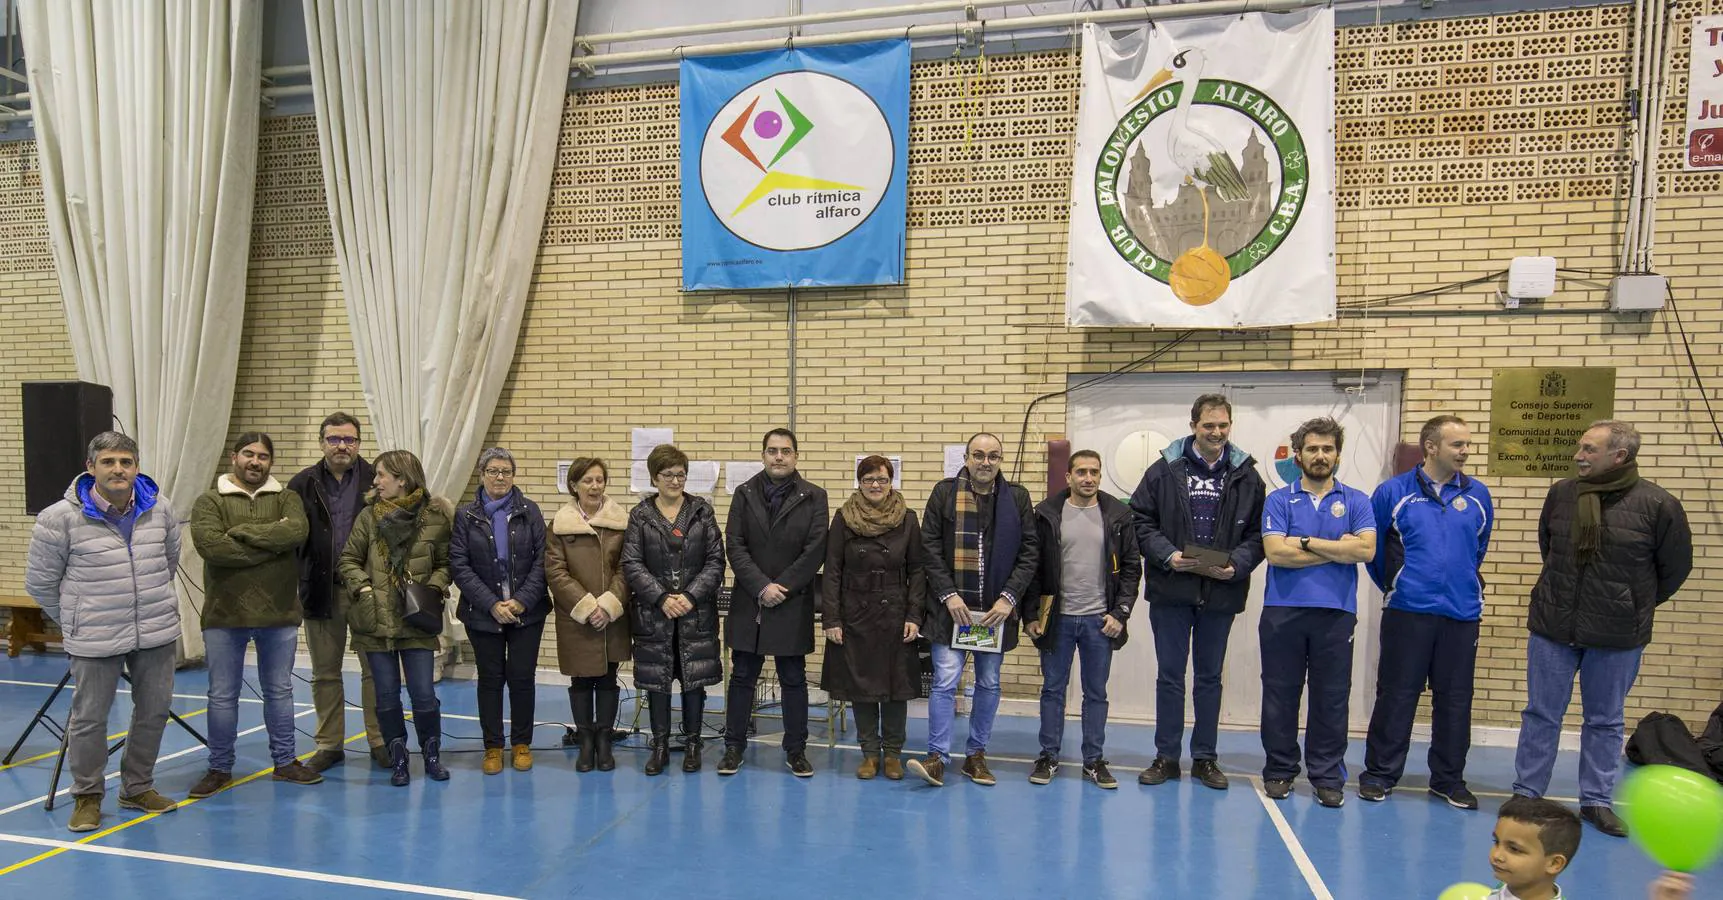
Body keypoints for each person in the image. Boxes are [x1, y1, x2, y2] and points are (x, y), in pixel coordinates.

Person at [1512, 420, 1691, 837]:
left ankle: (1596, 801)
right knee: (1541, 713)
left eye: (1590, 449)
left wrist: (1628, 604)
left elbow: (1674, 569)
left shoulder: (1658, 505)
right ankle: (1527, 793)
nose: (1579, 456)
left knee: (1605, 721)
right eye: (1580, 448)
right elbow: (1548, 547)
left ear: (1619, 456)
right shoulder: (1561, 494)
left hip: (1617, 636)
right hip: (1553, 627)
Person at [26, 432, 183, 832]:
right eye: (109, 462)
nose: (118, 469)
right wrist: (77, 618)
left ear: (136, 467)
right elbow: (41, 584)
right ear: (90, 466)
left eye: (126, 462)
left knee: (153, 712)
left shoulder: (160, 508)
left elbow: (168, 561)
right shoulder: (58, 518)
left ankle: (137, 787)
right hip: (94, 635)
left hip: (154, 630)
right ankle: (87, 796)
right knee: (90, 719)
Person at [1128, 393, 1265, 791]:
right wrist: (1166, 555)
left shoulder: (1247, 475)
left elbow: (1259, 533)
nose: (1216, 433)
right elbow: (1140, 520)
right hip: (1172, 589)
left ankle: (1205, 758)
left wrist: (1237, 563)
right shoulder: (1162, 471)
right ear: (1193, 426)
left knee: (1209, 679)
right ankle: (1166, 757)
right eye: (1209, 425)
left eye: (1223, 426)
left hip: (1221, 593)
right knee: (1170, 678)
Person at [1361, 414, 1493, 809]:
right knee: (1397, 695)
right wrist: (1399, 582)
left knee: (1455, 699)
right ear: (1430, 447)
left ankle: (1448, 780)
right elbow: (1375, 553)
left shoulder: (1478, 495)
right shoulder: (1392, 493)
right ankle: (1380, 774)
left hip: (1461, 614)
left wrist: (1460, 582)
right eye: (1458, 445)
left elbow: (1478, 548)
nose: (1465, 452)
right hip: (1407, 610)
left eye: (1467, 444)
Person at [187, 433, 318, 799]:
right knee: (222, 696)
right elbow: (212, 547)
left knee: (280, 691)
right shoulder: (209, 501)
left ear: (270, 462)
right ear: (234, 457)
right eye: (249, 454)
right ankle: (219, 767)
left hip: (279, 614)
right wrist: (270, 548)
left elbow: (295, 531)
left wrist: (242, 533)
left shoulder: (288, 498)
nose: (255, 461)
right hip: (223, 615)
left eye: (263, 456)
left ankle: (286, 762)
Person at [906, 432, 1039, 788]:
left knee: (989, 684)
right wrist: (948, 595)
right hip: (952, 613)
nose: (985, 462)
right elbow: (928, 547)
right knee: (945, 683)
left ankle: (976, 756)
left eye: (993, 456)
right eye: (978, 455)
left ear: (1000, 460)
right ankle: (937, 757)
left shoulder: (1018, 499)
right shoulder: (944, 493)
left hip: (993, 615)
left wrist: (1009, 598)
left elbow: (1030, 553)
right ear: (966, 458)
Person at [1258, 417, 1377, 808]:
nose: (1320, 455)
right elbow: (1275, 553)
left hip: (1336, 613)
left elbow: (1365, 551)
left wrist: (1306, 542)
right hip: (1282, 611)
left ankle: (1327, 776)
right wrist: (1335, 550)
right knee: (1280, 695)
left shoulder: (1357, 500)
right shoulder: (1278, 500)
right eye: (1312, 449)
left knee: (1330, 698)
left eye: (1327, 449)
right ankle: (1279, 769)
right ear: (1298, 455)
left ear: (1337, 454)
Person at [1024, 450, 1142, 789]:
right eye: (1081, 472)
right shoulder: (1047, 514)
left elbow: (1132, 569)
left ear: (1100, 476)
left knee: (1096, 694)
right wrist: (1031, 614)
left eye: (1094, 472)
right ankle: (1048, 756)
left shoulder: (1119, 516)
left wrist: (1121, 613)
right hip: (1057, 620)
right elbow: (1033, 567)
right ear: (1069, 476)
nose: (1088, 478)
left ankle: (1093, 761)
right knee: (1052, 691)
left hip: (1098, 622)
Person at [339, 450, 455, 786]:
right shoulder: (368, 517)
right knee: (386, 695)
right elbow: (347, 559)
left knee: (422, 693)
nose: (375, 481)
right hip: (376, 621)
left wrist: (431, 590)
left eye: (381, 475)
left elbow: (446, 563)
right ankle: (398, 757)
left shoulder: (435, 517)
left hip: (417, 620)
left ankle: (431, 755)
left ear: (402, 478)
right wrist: (363, 589)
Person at [720, 429, 829, 778]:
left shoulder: (814, 497)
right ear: (763, 455)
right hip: (751, 601)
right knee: (742, 677)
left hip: (790, 600)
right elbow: (734, 545)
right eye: (772, 451)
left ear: (796, 456)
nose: (778, 457)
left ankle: (796, 750)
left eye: (785, 451)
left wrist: (780, 586)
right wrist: (760, 586)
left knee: (793, 678)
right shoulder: (744, 493)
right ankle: (733, 746)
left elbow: (815, 550)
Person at [286, 411, 387, 771]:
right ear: (322, 442)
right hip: (320, 591)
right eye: (334, 439)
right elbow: (291, 540)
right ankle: (329, 744)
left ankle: (379, 739)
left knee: (375, 670)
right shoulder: (301, 484)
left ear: (359, 443)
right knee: (325, 672)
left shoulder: (380, 480)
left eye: (349, 439)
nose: (342, 445)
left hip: (368, 592)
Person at [621, 444, 726, 776]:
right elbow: (632, 564)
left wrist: (690, 596)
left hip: (696, 614)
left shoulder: (701, 511)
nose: (676, 480)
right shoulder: (640, 515)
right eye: (668, 474)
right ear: (655, 477)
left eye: (681, 473)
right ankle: (661, 745)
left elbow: (715, 561)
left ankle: (693, 743)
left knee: (695, 681)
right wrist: (662, 598)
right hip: (655, 615)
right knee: (658, 683)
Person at [820, 455, 926, 781]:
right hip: (855, 614)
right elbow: (832, 571)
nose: (875, 485)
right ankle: (869, 753)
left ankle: (893, 753)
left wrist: (914, 614)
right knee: (861, 686)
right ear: (859, 483)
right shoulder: (843, 518)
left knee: (896, 687)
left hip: (895, 613)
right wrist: (832, 619)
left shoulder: (907, 519)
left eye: (881, 479)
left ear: (891, 481)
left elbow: (918, 571)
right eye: (868, 480)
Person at [451, 448, 547, 775]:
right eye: (493, 471)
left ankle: (521, 743)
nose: (500, 477)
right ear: (482, 475)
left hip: (526, 613)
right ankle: (492, 746)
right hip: (482, 614)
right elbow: (460, 566)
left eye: (506, 471)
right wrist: (491, 604)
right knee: (490, 680)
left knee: (522, 679)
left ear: (514, 475)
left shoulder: (529, 511)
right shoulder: (466, 516)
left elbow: (543, 561)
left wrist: (521, 601)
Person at [545, 457, 631, 773]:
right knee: (581, 680)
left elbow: (627, 567)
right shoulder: (559, 524)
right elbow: (555, 571)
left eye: (599, 480)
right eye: (587, 481)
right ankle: (585, 741)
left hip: (612, 616)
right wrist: (586, 606)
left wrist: (608, 606)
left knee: (608, 678)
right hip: (576, 618)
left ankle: (604, 740)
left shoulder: (621, 522)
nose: (595, 486)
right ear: (574, 485)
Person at [1485, 795, 1580, 900]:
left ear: (1554, 863)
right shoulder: (1507, 885)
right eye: (1496, 842)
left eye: (1514, 849)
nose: (1496, 855)